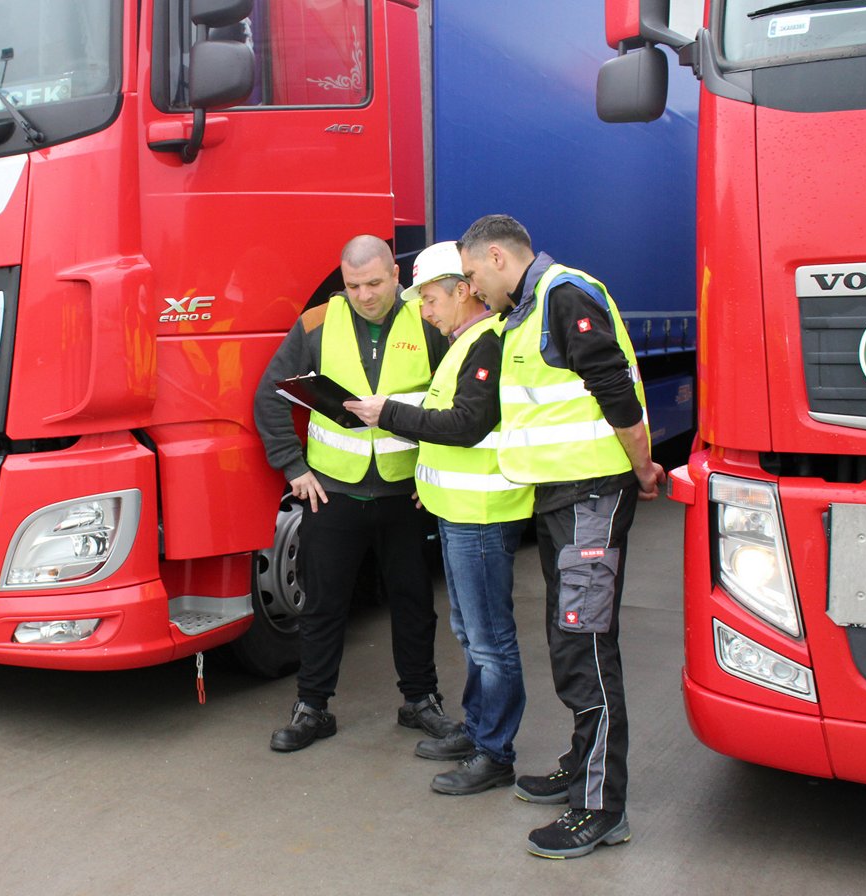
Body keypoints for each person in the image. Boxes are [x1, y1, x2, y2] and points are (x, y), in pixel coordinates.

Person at [457, 215, 665, 859]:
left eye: (470, 276)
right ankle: (581, 766)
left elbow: (614, 386)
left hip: (593, 496)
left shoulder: (564, 295)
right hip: (561, 499)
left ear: (496, 256)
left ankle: (602, 807)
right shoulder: (524, 313)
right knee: (567, 634)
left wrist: (642, 465)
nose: (470, 290)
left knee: (585, 644)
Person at [254, 234, 459, 752]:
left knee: (414, 602)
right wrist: (292, 465)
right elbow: (270, 392)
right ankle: (312, 709)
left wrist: (431, 472)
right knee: (323, 606)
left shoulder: (428, 318)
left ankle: (420, 701)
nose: (364, 295)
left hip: (403, 495)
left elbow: (455, 403)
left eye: (373, 283)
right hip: (334, 493)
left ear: (395, 274)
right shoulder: (319, 322)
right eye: (352, 285)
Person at [345, 241, 534, 796]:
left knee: (490, 640)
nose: (423, 312)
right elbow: (449, 427)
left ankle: (494, 753)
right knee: (471, 635)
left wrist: (388, 413)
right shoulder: (463, 343)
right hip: (457, 509)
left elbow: (465, 425)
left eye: (429, 299)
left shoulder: (486, 343)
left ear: (462, 290)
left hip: (481, 514)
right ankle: (476, 732)